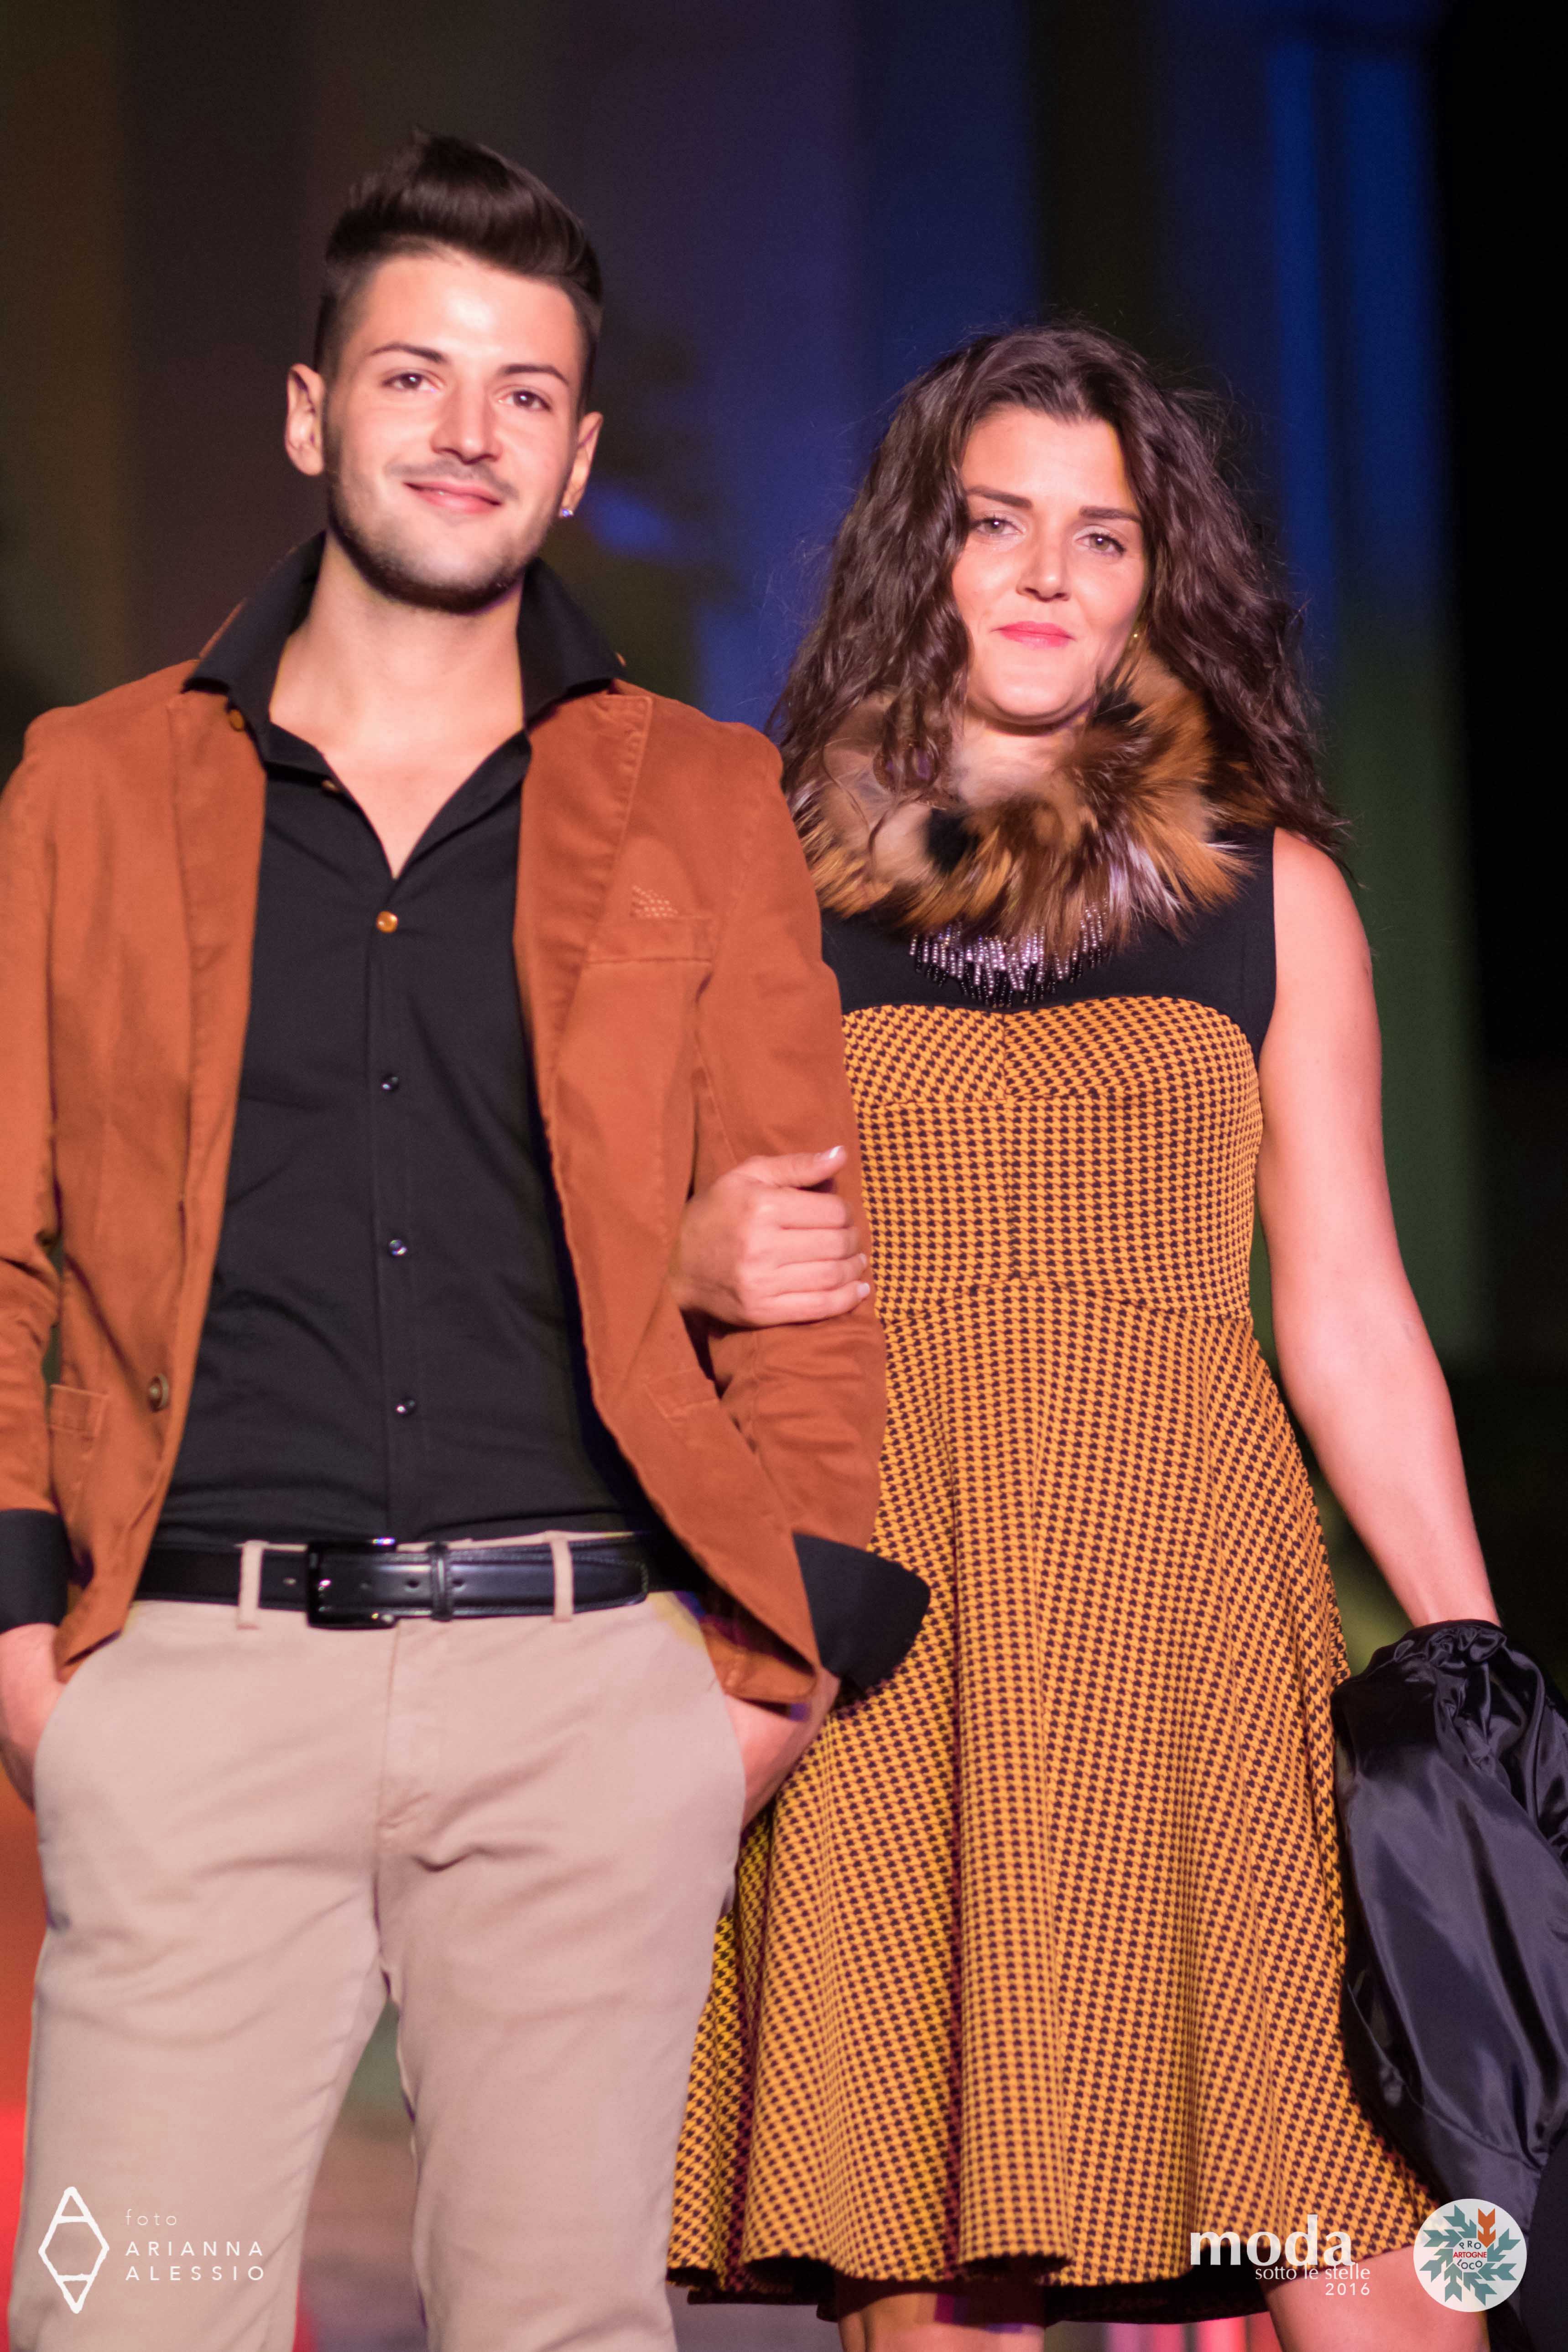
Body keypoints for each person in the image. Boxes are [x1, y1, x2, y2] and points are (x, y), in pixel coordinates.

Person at [0, 134, 924, 2352]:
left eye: (524, 391)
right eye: (413, 374)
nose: (466, 428)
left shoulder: (697, 795)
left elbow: (808, 1264)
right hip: (192, 1680)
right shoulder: (91, 785)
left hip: (584, 1693)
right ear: (309, 410)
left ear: (578, 456)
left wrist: (770, 1678)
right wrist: (31, 1666)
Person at [666, 326, 1499, 2350]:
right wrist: (694, 1252)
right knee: (940, 2256)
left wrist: (1469, 1662)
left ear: (1153, 580)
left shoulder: (1272, 892)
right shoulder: (770, 880)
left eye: (1100, 535)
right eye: (996, 522)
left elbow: (1348, 1302)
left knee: (1373, 2234)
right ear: (923, 555)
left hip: (1202, 1630)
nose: (1046, 571)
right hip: (897, 1640)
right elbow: (614, 1247)